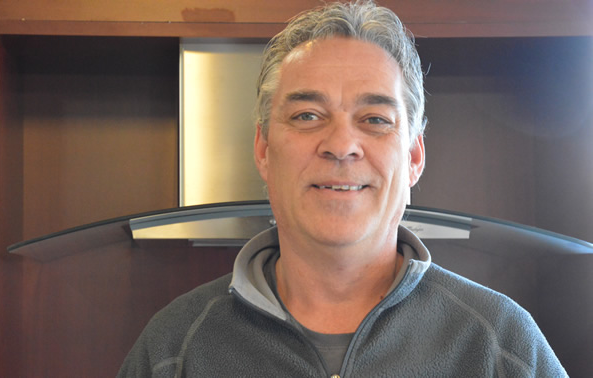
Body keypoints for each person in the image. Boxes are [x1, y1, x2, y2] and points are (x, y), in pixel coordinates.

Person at [118, 1, 567, 377]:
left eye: (375, 120)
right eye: (307, 115)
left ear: (413, 157)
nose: (340, 145)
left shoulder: (502, 346)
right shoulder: (172, 350)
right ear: (263, 149)